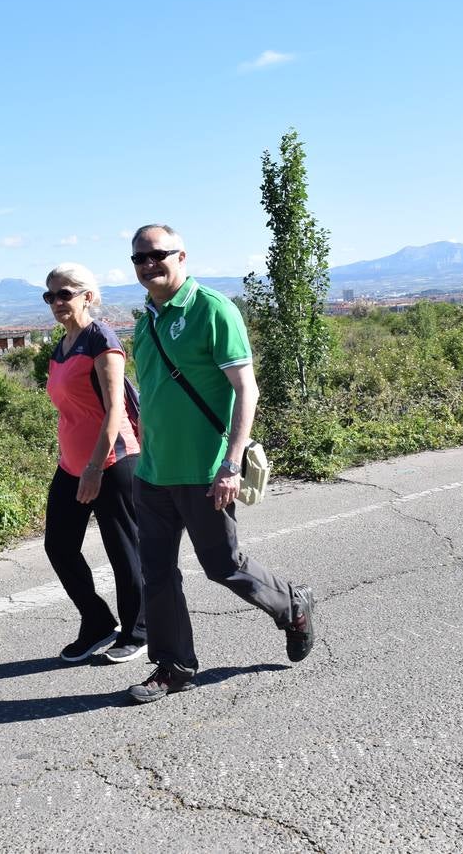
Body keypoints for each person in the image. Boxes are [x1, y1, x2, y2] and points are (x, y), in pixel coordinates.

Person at [124, 223, 316, 705]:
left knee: (223, 566)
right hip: (153, 474)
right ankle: (173, 666)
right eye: (139, 258)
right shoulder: (146, 321)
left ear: (181, 257)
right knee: (157, 572)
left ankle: (292, 604)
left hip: (205, 471)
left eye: (157, 254)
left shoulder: (212, 310)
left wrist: (231, 463)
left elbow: (245, 389)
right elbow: (150, 397)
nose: (149, 264)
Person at [41, 262, 148, 663]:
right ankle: (98, 622)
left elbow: (113, 409)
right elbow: (72, 411)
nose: (56, 302)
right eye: (50, 295)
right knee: (59, 547)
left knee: (123, 548)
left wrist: (93, 467)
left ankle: (139, 629)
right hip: (72, 464)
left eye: (64, 293)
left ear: (88, 296)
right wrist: (74, 461)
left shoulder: (101, 339)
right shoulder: (62, 344)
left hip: (112, 462)